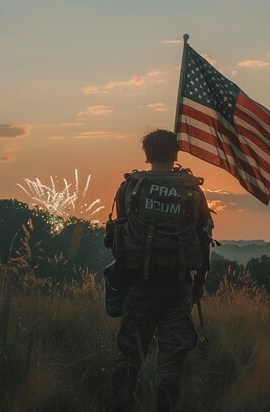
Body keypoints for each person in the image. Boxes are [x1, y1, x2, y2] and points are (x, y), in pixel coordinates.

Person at [107, 129, 213, 412]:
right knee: (172, 357)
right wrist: (199, 283)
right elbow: (203, 239)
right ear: (176, 153)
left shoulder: (131, 187)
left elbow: (121, 233)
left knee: (130, 352)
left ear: (147, 155)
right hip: (178, 284)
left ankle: (122, 404)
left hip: (138, 283)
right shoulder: (192, 189)